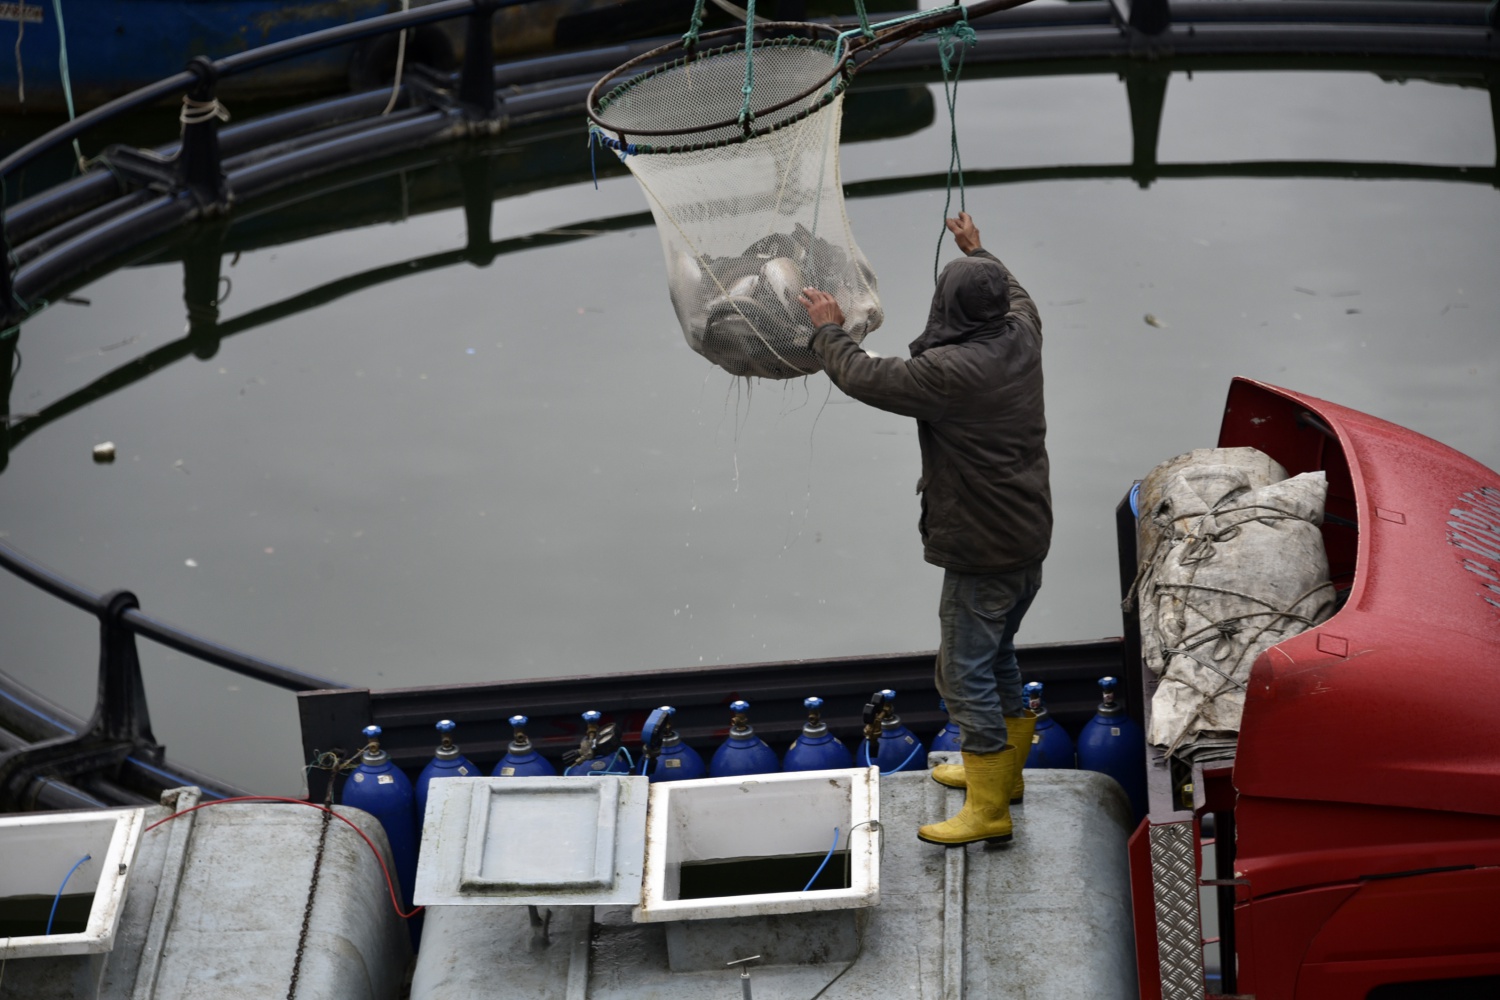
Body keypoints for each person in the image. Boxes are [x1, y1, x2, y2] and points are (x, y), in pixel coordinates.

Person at [799, 212, 1051, 847]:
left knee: (962, 671)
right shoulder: (1020, 335)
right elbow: (1019, 294)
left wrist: (828, 332)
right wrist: (980, 250)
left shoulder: (949, 374)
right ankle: (1005, 775)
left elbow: (864, 376)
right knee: (997, 656)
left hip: (982, 549)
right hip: (1026, 537)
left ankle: (989, 809)